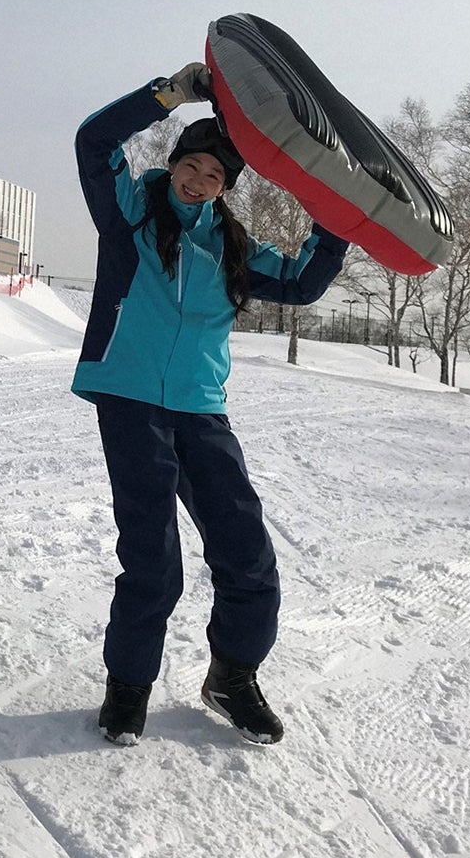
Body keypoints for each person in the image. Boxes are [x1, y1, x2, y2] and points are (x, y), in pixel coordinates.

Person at [73, 63, 348, 746]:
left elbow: (307, 281)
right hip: (131, 398)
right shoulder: (131, 210)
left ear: (228, 187)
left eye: (214, 175)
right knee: (153, 554)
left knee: (246, 548)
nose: (199, 180)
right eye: (192, 165)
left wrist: (336, 209)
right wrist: (170, 93)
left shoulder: (231, 245)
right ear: (175, 163)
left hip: (201, 407)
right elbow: (92, 140)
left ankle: (233, 675)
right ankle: (129, 686)